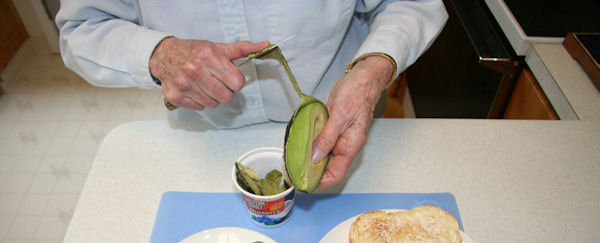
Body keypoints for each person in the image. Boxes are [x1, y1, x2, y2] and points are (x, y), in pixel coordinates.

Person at [56, 1, 447, 189]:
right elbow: (81, 29)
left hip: (339, 132)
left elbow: (411, 4)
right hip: (203, 136)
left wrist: (370, 73)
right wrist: (160, 55)